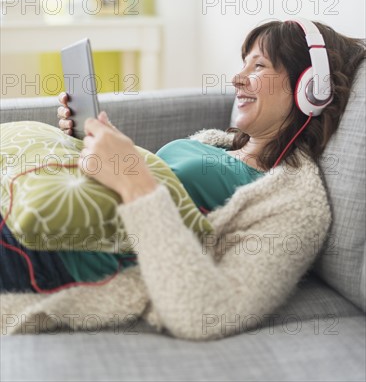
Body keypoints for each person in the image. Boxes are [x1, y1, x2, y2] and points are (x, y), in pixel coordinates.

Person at [1, 18, 365, 340]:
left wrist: (132, 178)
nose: (237, 78)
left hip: (51, 253)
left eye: (259, 66)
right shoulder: (214, 144)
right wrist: (96, 142)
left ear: (310, 90)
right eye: (243, 64)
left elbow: (206, 314)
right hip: (38, 210)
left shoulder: (293, 201)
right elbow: (152, 186)